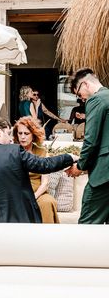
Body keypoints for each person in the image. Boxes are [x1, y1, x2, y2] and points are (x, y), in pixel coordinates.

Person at [0, 116, 77, 257]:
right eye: (8, 133)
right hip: (22, 225)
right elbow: (44, 165)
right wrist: (70, 157)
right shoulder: (14, 151)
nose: (11, 139)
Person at [66, 68, 109, 224]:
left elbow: (90, 140)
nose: (81, 99)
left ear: (84, 84)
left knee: (87, 226)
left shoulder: (96, 99)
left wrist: (80, 165)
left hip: (104, 174)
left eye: (78, 94)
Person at [13, 116, 60, 223]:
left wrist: (33, 197)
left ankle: (47, 237)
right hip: (18, 193)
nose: (22, 137)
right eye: (20, 133)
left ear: (33, 135)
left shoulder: (42, 152)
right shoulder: (12, 152)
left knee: (48, 202)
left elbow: (45, 183)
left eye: (26, 133)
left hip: (38, 193)